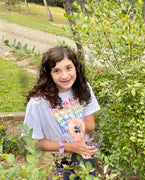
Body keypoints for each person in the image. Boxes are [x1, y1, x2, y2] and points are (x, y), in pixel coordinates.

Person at [23, 45, 100, 179]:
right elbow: (32, 143)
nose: (64, 76)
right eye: (56, 70)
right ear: (48, 74)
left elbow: (91, 125)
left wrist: (79, 125)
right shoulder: (38, 102)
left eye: (68, 68)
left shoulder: (83, 87)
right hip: (62, 156)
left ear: (76, 67)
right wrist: (71, 147)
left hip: (85, 151)